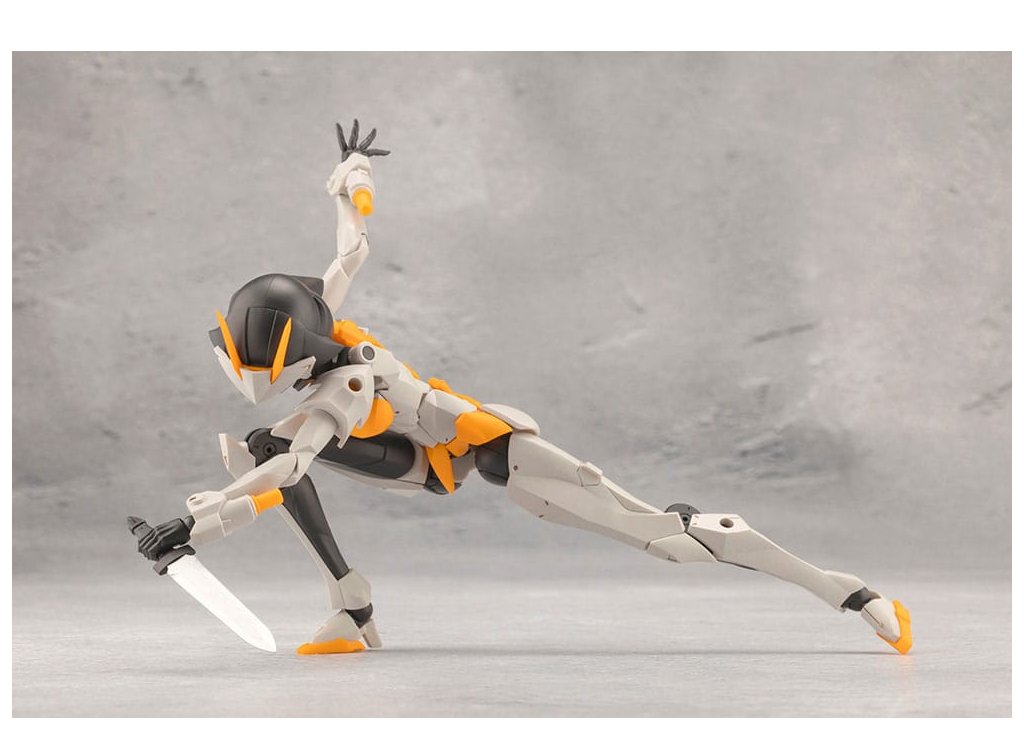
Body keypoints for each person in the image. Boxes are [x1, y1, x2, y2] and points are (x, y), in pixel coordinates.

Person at [134, 121, 912, 656]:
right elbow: (353, 249)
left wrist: (198, 524)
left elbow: (294, 465)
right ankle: (351, 604)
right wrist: (353, 176)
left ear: (299, 353)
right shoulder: (323, 316)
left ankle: (847, 593)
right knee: (261, 446)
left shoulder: (346, 378)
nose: (267, 382)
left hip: (489, 448)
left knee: (667, 539)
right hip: (415, 455)